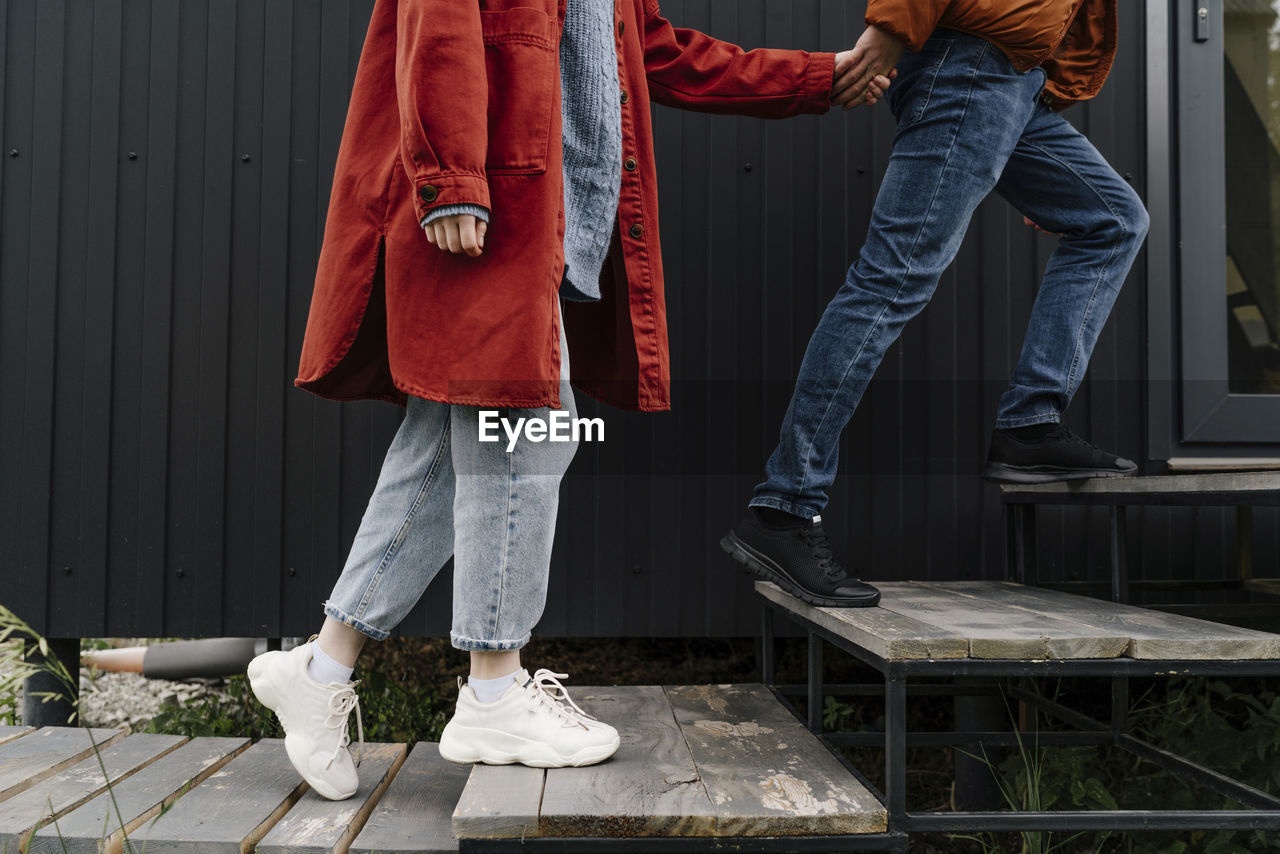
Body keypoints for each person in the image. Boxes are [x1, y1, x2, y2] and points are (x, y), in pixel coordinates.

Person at [246, 0, 892, 800]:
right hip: (487, 206)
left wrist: (816, 78)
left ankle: (321, 665)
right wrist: (452, 178)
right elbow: (436, 25)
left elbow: (655, 53)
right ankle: (492, 687)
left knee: (448, 444)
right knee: (524, 432)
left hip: (537, 217)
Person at [722, 0, 1149, 608]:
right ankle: (782, 509)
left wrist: (1053, 82)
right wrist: (895, 21)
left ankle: (1029, 424)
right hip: (970, 65)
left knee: (1112, 220)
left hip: (1015, 82)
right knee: (889, 281)